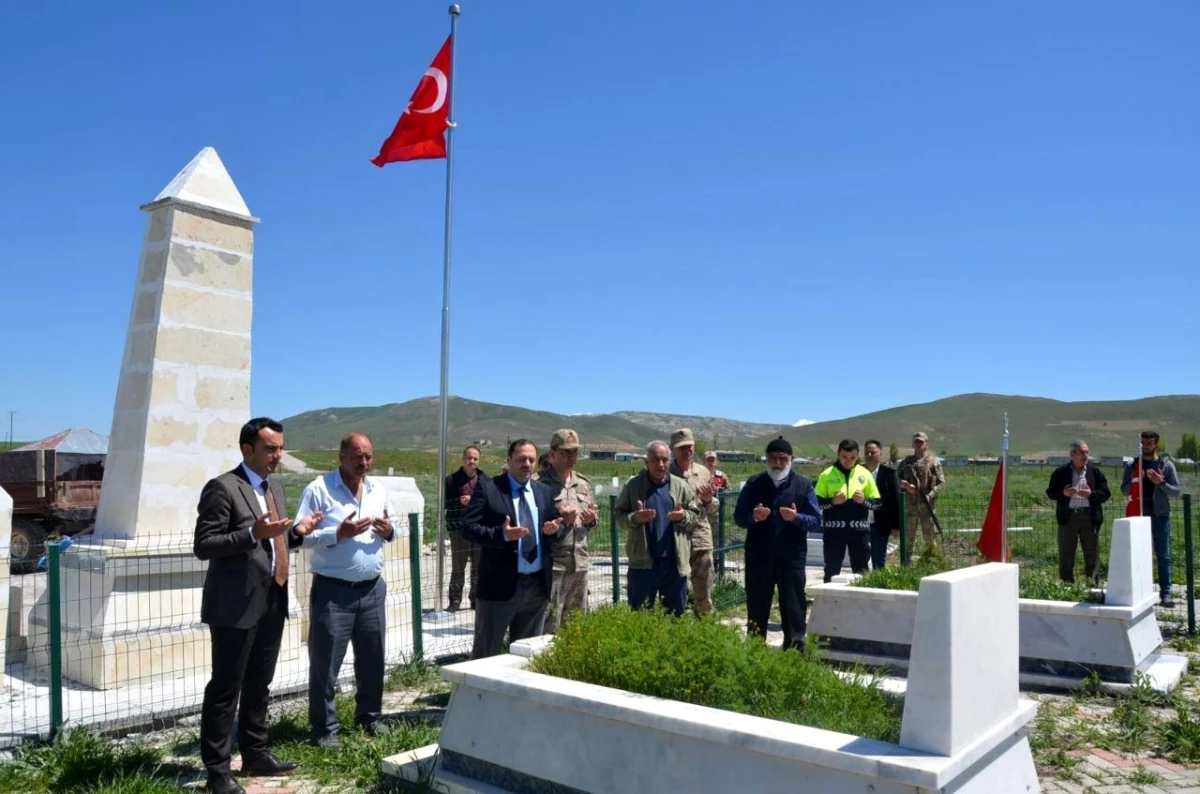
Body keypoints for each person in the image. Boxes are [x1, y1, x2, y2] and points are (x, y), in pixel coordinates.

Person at [194, 417, 324, 794]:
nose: (278, 455)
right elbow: (205, 545)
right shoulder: (223, 488)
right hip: (235, 606)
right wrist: (252, 533)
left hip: (273, 598)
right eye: (270, 449)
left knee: (259, 683)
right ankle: (217, 773)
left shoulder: (275, 488)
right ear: (247, 449)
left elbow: (275, 543)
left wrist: (298, 534)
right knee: (225, 688)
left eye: (280, 448)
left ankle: (255, 753)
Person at [294, 432, 395, 749]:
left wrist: (390, 531)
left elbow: (394, 527)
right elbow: (300, 536)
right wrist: (338, 533)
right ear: (341, 457)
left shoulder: (378, 489)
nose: (364, 462)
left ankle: (370, 717)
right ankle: (325, 730)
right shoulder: (320, 489)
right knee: (326, 665)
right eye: (357, 456)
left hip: (372, 590)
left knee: (373, 658)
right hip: (333, 592)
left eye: (368, 456)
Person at [463, 439, 563, 658]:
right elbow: (468, 528)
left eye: (531, 459)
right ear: (508, 461)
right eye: (521, 459)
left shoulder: (543, 492)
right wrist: (502, 535)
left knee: (526, 656)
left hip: (536, 588)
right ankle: (482, 693)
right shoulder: (489, 488)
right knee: (486, 654)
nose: (526, 463)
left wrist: (553, 530)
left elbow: (556, 525)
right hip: (499, 588)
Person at [734, 436, 821, 649]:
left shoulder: (803, 485)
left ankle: (794, 654)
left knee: (793, 608)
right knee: (757, 606)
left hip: (791, 558)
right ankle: (755, 652)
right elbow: (739, 516)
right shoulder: (754, 484)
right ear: (767, 460)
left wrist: (796, 518)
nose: (778, 463)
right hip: (759, 556)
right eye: (773, 458)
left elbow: (816, 520)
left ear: (791, 459)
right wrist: (753, 517)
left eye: (783, 458)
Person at [616, 441, 701, 616]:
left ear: (670, 461)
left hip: (674, 565)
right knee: (639, 617)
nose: (660, 464)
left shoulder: (681, 487)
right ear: (647, 462)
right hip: (642, 565)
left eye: (664, 459)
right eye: (655, 460)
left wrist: (683, 516)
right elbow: (619, 517)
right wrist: (636, 518)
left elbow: (695, 518)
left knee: (675, 618)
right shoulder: (633, 487)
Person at [538, 429, 598, 633]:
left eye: (574, 452)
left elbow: (591, 521)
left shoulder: (583, 484)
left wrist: (591, 520)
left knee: (576, 623)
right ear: (553, 454)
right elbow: (532, 525)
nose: (571, 457)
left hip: (579, 561)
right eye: (565, 452)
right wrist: (560, 521)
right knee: (549, 622)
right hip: (553, 565)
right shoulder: (539, 484)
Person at [1122, 431, 1182, 607]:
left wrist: (1160, 483)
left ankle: (1166, 594)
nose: (1145, 445)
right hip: (1137, 515)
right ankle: (1142, 592)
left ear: (1156, 444)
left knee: (1163, 556)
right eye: (1143, 442)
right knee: (1138, 555)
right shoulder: (1133, 465)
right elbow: (1124, 490)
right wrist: (1136, 480)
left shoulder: (1166, 465)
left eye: (1149, 442)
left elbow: (1176, 491)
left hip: (1159, 515)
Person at [1045, 440, 1111, 585]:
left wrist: (1090, 494)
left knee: (1091, 555)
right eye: (1081, 452)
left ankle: (1092, 586)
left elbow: (1106, 493)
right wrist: (1063, 493)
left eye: (1087, 452)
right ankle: (1066, 586)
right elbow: (1051, 493)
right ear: (1072, 454)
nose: (1085, 455)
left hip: (1089, 518)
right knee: (1066, 554)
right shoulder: (1061, 472)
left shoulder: (1095, 472)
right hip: (1068, 518)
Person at [815, 440, 881, 582]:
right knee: (832, 569)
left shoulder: (865, 474)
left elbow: (878, 504)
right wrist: (832, 502)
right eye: (844, 456)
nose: (848, 461)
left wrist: (864, 501)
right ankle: (829, 601)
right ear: (838, 454)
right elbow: (816, 504)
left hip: (860, 533)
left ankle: (862, 602)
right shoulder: (826, 475)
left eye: (852, 457)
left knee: (862, 570)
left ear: (857, 456)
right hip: (834, 533)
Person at [669, 429, 719, 614]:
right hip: (675, 536)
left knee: (704, 589)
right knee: (673, 588)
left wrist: (708, 500)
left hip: (701, 537)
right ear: (672, 449)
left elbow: (714, 507)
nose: (686, 450)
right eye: (681, 447)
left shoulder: (703, 472)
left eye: (689, 446)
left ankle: (703, 626)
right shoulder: (666, 472)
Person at [443, 446, 485, 611]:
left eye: (475, 458)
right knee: (458, 566)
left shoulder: (484, 480)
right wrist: (459, 502)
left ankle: (476, 599)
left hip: (479, 529)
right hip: (458, 529)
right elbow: (444, 503)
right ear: (463, 458)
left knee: (478, 566)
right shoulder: (451, 480)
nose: (471, 461)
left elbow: (489, 502)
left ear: (478, 460)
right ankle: (455, 601)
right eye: (469, 457)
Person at [897, 432, 946, 557]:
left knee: (930, 540)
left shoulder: (933, 462)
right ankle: (906, 569)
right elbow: (895, 480)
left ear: (927, 444)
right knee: (908, 540)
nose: (919, 444)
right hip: (910, 508)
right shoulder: (905, 463)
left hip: (928, 508)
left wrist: (929, 496)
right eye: (916, 442)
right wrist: (905, 484)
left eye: (921, 442)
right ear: (912, 444)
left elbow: (941, 483)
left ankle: (931, 566)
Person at [862, 440, 901, 570]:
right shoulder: (857, 472)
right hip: (860, 523)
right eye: (866, 451)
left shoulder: (889, 474)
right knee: (860, 558)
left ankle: (877, 584)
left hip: (881, 522)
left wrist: (896, 526)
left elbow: (895, 500)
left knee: (878, 559)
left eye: (872, 452)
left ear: (880, 454)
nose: (869, 454)